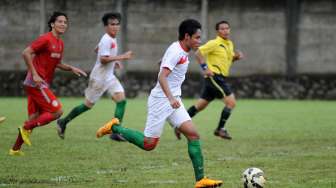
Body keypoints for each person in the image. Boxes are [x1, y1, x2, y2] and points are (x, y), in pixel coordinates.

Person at [96, 19, 223, 188]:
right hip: (162, 101)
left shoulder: (180, 49)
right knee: (149, 144)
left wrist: (167, 76)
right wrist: (170, 98)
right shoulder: (177, 52)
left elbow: (166, 64)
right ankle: (114, 128)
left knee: (193, 135)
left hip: (173, 100)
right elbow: (161, 77)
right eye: (197, 37)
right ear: (187, 36)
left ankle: (201, 180)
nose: (199, 41)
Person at [9, 12, 87, 156]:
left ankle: (15, 149)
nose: (63, 24)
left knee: (34, 117)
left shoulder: (60, 43)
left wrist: (71, 68)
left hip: (38, 83)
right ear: (52, 24)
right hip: (36, 83)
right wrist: (34, 74)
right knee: (57, 111)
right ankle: (26, 127)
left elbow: (57, 63)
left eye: (65, 22)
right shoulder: (45, 39)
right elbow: (26, 53)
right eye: (60, 21)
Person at [56, 12, 132, 141]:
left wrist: (114, 61)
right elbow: (102, 59)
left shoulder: (111, 38)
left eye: (117, 24)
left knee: (122, 101)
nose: (115, 27)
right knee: (87, 105)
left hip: (109, 77)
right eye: (112, 24)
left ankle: (116, 131)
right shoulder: (106, 39)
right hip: (99, 78)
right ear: (106, 26)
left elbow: (97, 49)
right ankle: (63, 122)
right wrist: (121, 57)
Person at [175, 20, 244, 140]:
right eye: (222, 29)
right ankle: (220, 129)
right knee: (231, 102)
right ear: (217, 31)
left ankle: (179, 125)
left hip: (220, 78)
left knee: (199, 106)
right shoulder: (214, 43)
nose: (225, 30)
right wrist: (205, 68)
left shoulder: (229, 44)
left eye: (227, 28)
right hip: (214, 77)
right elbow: (198, 52)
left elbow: (228, 60)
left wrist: (236, 58)